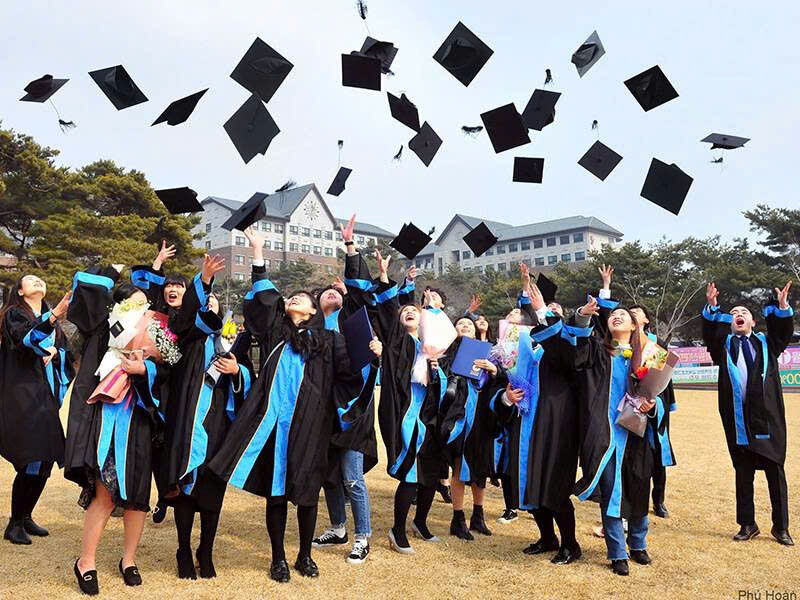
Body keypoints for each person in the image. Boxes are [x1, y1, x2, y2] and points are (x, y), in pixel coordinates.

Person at [207, 237, 380, 583]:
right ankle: (278, 559)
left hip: (311, 425)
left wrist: (372, 356)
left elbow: (350, 375)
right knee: (276, 493)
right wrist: (258, 253)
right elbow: (265, 300)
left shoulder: (330, 341)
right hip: (273, 426)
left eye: (303, 298)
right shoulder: (276, 333)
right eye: (292, 297)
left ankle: (304, 555)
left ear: (314, 312)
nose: (294, 298)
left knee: (307, 494)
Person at [529, 271, 657, 576]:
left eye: (624, 315)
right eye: (614, 315)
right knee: (611, 491)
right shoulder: (597, 352)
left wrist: (652, 405)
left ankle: (638, 544)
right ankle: (617, 552)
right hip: (604, 433)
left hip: (636, 433)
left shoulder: (651, 354)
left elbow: (660, 393)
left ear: (635, 326)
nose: (618, 317)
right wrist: (583, 316)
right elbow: (574, 348)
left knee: (639, 488)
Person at [65, 265, 171, 594]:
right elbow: (87, 292)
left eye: (144, 303)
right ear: (118, 304)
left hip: (139, 417)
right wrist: (110, 271)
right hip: (108, 416)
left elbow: (169, 368)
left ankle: (129, 560)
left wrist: (145, 368)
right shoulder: (102, 329)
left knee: (138, 496)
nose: (141, 309)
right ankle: (86, 561)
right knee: (105, 494)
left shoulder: (158, 328)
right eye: (134, 302)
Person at [159, 255, 255, 579]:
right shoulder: (184, 335)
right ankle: (183, 550)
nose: (209, 303)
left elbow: (248, 375)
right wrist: (204, 280)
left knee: (213, 487)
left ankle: (206, 550)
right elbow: (185, 320)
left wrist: (236, 370)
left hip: (218, 420)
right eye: (203, 300)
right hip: (188, 418)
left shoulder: (231, 338)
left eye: (213, 301)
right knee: (186, 485)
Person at [492, 264, 582, 565]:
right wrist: (506, 397)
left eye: (555, 313)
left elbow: (564, 354)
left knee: (554, 486)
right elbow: (500, 385)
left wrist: (544, 309)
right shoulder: (521, 346)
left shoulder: (568, 346)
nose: (547, 314)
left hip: (556, 426)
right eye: (544, 311)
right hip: (525, 425)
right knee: (528, 483)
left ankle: (570, 544)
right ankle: (547, 537)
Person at [702, 281, 794, 546]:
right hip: (738, 419)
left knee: (775, 471)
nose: (738, 315)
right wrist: (712, 307)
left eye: (743, 312)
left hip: (767, 419)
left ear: (753, 321)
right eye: (733, 313)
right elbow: (710, 333)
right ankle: (747, 524)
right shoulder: (722, 346)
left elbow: (782, 331)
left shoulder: (767, 344)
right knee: (743, 472)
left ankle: (781, 527)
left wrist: (782, 307)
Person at [312, 216, 382, 565]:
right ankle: (338, 527)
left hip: (353, 406)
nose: (331, 292)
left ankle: (362, 536)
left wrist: (350, 247)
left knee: (352, 477)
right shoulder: (311, 327)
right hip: (322, 407)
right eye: (324, 292)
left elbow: (359, 288)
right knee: (329, 475)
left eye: (335, 291)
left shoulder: (350, 319)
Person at [372, 252, 448, 555]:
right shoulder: (397, 342)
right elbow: (388, 309)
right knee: (412, 472)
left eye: (413, 310)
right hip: (406, 411)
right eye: (404, 312)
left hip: (431, 412)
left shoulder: (434, 344)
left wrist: (436, 367)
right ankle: (398, 529)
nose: (408, 312)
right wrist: (384, 276)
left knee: (431, 471)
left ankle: (421, 522)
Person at [0, 275, 73, 545]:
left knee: (45, 459)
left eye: (40, 279)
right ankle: (15, 523)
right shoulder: (13, 314)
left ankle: (26, 515)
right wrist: (54, 316)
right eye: (30, 280)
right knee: (31, 458)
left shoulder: (51, 321)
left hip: (46, 398)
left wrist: (55, 353)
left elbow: (66, 353)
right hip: (23, 396)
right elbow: (26, 340)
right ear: (20, 291)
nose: (38, 282)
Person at [439, 315, 498, 540]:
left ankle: (478, 516)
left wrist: (494, 370)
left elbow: (501, 381)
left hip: (483, 416)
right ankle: (458, 518)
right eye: (460, 324)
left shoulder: (489, 353)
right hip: (460, 416)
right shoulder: (446, 353)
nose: (465, 326)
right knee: (459, 465)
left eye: (469, 325)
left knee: (480, 467)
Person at [628, 303, 677, 519]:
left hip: (654, 404)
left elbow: (665, 378)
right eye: (630, 312)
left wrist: (664, 402)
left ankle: (659, 500)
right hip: (629, 406)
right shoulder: (623, 341)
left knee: (657, 453)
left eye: (638, 312)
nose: (633, 314)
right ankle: (633, 500)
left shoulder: (656, 343)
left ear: (646, 320)